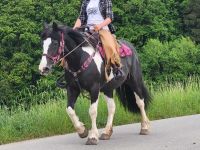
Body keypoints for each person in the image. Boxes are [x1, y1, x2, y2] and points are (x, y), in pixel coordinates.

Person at [73, 0, 123, 80]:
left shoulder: (106, 1)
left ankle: (116, 68)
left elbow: (109, 18)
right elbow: (81, 18)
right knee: (72, 44)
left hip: (103, 29)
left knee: (109, 46)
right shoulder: (86, 2)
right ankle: (69, 72)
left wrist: (99, 26)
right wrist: (74, 28)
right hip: (87, 31)